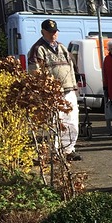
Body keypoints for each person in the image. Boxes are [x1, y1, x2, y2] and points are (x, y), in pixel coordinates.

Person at [27, 19, 81, 161]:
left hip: (68, 91)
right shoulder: (38, 49)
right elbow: (35, 73)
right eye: (50, 32)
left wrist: (75, 88)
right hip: (52, 93)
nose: (53, 34)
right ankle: (55, 152)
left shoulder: (63, 48)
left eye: (55, 32)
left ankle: (69, 149)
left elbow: (71, 68)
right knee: (56, 123)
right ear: (42, 32)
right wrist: (43, 91)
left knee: (72, 121)